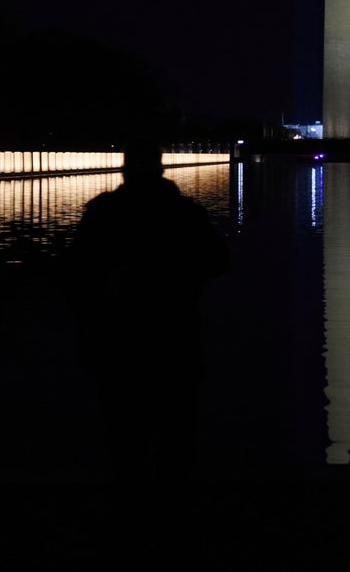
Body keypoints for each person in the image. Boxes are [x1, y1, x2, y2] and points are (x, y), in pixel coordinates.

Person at [67, 137, 230, 486]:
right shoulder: (185, 213)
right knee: (176, 433)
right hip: (175, 335)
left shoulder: (104, 213)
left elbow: (79, 273)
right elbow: (218, 261)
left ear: (125, 170)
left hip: (118, 337)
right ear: (161, 168)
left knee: (124, 433)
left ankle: (131, 505)